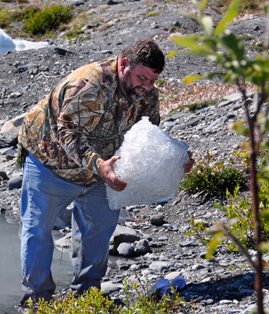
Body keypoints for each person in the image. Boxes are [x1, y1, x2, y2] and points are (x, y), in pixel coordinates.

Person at [16, 40, 194, 306]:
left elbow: (147, 136)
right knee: (37, 230)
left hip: (104, 168)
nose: (146, 86)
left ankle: (87, 296)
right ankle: (38, 300)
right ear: (124, 64)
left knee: (98, 230)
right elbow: (68, 132)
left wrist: (175, 158)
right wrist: (98, 165)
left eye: (153, 80)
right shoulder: (90, 85)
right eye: (142, 78)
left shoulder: (148, 94)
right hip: (50, 161)